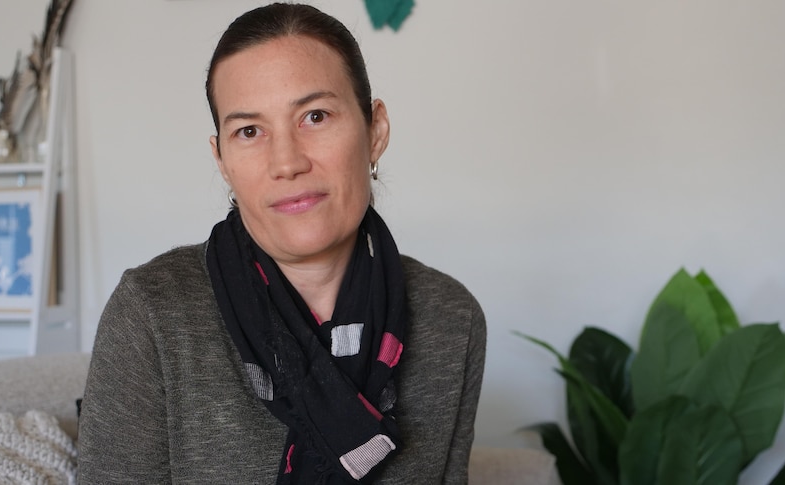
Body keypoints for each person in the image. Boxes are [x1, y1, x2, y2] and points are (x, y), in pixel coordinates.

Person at [77, 3, 486, 483]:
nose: (287, 162)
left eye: (315, 116)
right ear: (223, 158)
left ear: (375, 131)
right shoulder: (151, 313)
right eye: (249, 131)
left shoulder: (452, 319)